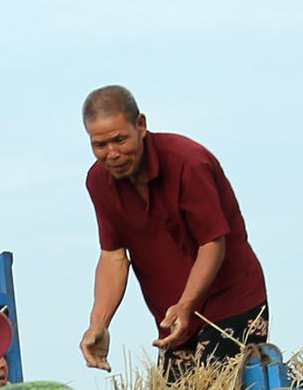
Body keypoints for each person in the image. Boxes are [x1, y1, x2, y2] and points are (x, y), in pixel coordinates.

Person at [79, 86, 269, 375]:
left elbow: (212, 243)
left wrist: (186, 304)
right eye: (100, 145)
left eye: (120, 140)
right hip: (174, 320)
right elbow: (113, 257)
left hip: (232, 304)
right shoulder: (98, 181)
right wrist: (99, 324)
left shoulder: (188, 162)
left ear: (141, 125)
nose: (112, 154)